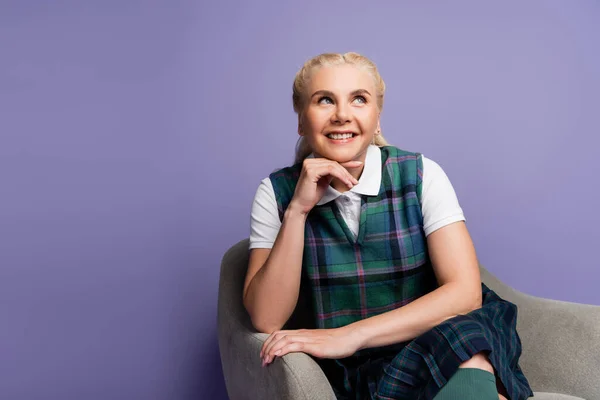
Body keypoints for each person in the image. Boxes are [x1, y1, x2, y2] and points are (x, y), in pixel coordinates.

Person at [243, 52, 533, 400]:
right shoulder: (275, 193)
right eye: (324, 101)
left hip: (439, 336)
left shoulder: (421, 174)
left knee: (467, 344)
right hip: (356, 366)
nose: (342, 115)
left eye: (359, 99)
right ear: (301, 122)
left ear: (377, 118)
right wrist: (298, 211)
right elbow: (266, 319)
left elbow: (464, 293)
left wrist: (350, 334)